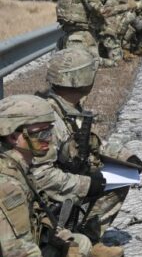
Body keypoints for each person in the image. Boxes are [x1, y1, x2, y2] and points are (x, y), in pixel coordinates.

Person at [30, 49, 141, 257]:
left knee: (123, 173)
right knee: (102, 181)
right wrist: (87, 184)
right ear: (80, 79)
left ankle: (90, 239)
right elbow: (40, 177)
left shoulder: (68, 107)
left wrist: (123, 156)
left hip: (68, 179)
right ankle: (71, 242)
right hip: (46, 201)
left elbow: (89, 142)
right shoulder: (49, 120)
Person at [0, 94, 91, 256]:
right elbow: (18, 252)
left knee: (80, 243)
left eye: (49, 131)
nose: (48, 139)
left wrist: (65, 241)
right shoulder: (8, 186)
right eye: (40, 134)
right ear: (13, 136)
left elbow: (40, 214)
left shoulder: (20, 166)